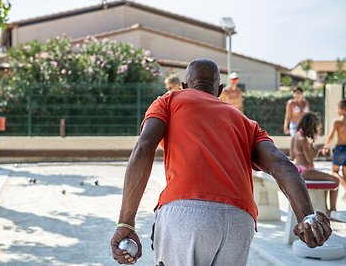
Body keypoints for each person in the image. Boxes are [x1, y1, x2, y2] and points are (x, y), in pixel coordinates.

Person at [111, 59, 331, 265]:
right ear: (219, 90)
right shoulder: (246, 122)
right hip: (239, 221)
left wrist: (125, 223)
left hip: (186, 212)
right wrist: (307, 218)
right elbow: (282, 165)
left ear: (185, 85)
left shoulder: (169, 100)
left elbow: (143, 148)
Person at [290, 112, 339, 215]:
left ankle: (325, 208)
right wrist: (317, 148)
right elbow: (310, 160)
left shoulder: (295, 136)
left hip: (298, 170)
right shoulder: (303, 140)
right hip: (306, 171)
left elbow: (292, 156)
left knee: (325, 179)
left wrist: (312, 148)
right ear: (311, 126)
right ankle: (333, 209)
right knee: (336, 180)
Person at [323, 99, 346, 203]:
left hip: (340, 148)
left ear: (341, 109)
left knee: (335, 171)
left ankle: (345, 187)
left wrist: (326, 146)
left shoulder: (338, 122)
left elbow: (331, 136)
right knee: (345, 173)